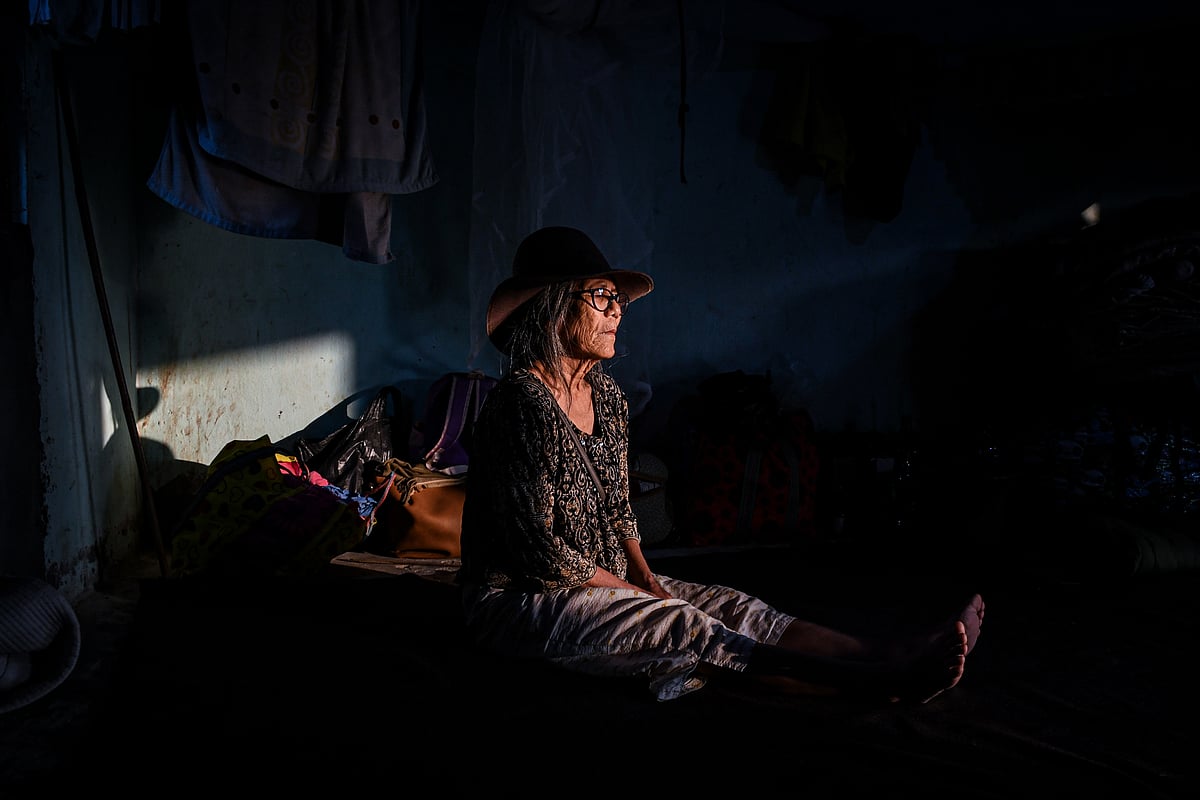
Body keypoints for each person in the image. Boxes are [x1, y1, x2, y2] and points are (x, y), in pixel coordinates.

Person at [458, 225, 985, 703]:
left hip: (604, 580)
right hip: (522, 603)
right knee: (685, 626)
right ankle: (874, 685)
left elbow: (619, 509)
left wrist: (645, 578)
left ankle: (889, 655)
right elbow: (540, 552)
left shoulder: (608, 397)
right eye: (601, 296)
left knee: (733, 607)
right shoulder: (520, 406)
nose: (617, 310)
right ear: (553, 305)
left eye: (618, 299)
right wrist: (638, 594)